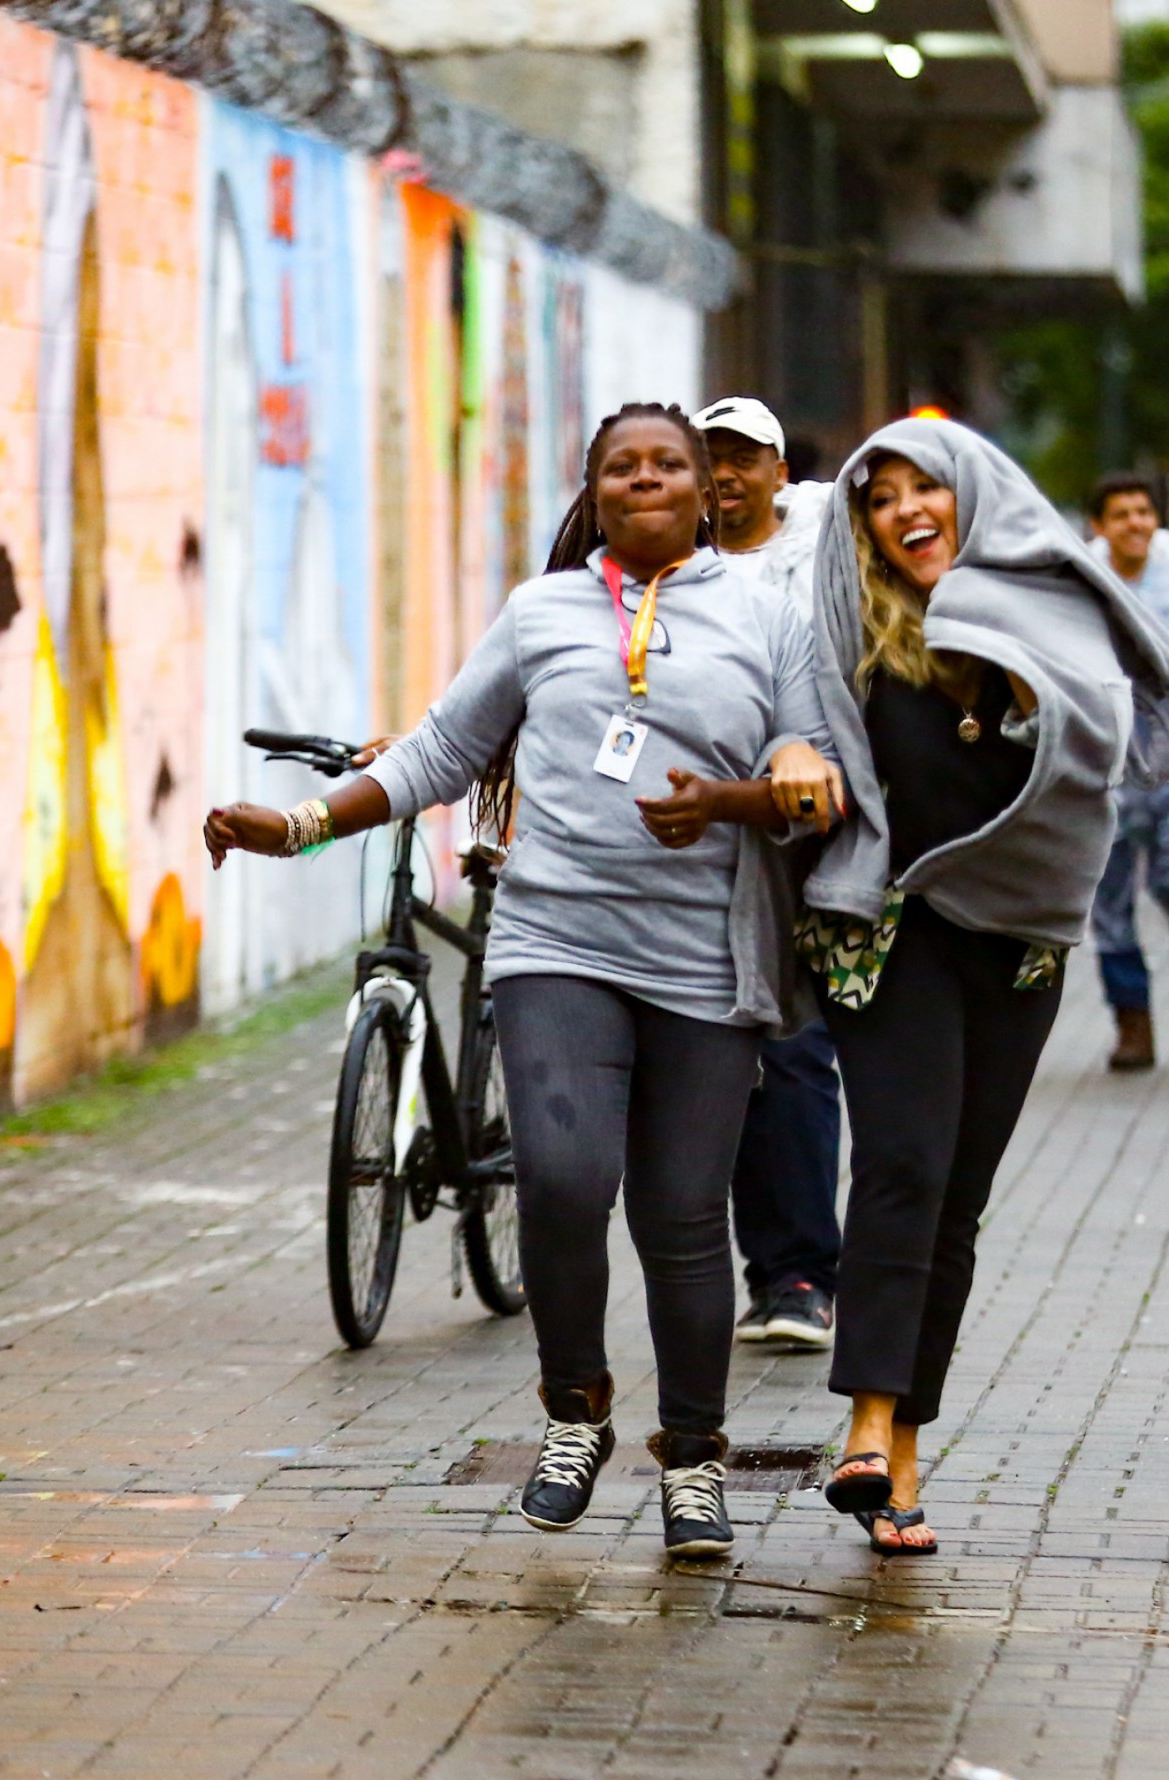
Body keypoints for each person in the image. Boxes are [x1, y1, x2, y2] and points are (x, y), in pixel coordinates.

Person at [205, 400, 845, 1560]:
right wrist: (296, 824)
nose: (641, 480)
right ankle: (575, 1411)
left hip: (705, 956)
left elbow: (814, 769)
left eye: (666, 465)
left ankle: (693, 1464)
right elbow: (441, 752)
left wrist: (753, 790)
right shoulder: (542, 612)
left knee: (682, 1218)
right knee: (560, 1177)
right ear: (592, 490)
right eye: (618, 467)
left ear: (705, 491)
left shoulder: (767, 612)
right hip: (556, 941)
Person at [801, 417, 1169, 1557]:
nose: (907, 508)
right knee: (902, 1165)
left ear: (975, 496)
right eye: (882, 495)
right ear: (860, 523)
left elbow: (1107, 753)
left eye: (928, 487)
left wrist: (1022, 683)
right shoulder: (849, 631)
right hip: (894, 929)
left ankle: (903, 1449)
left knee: (954, 1195)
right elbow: (798, 729)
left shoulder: (1049, 615)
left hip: (1018, 942)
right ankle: (863, 1430)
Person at [691, 395, 840, 1350]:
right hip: (691, 835)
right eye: (710, 458)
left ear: (778, 472)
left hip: (800, 835)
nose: (725, 474)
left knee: (789, 1047)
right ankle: (753, 1272)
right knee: (722, 1056)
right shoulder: (674, 570)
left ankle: (798, 1278)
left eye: (744, 457)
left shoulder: (819, 549)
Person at [1088, 474, 1169, 1069]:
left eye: (1143, 512)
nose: (1135, 523)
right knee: (1110, 906)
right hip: (1106, 768)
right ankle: (1132, 1023)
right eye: (1121, 515)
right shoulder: (1082, 577)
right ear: (1100, 525)